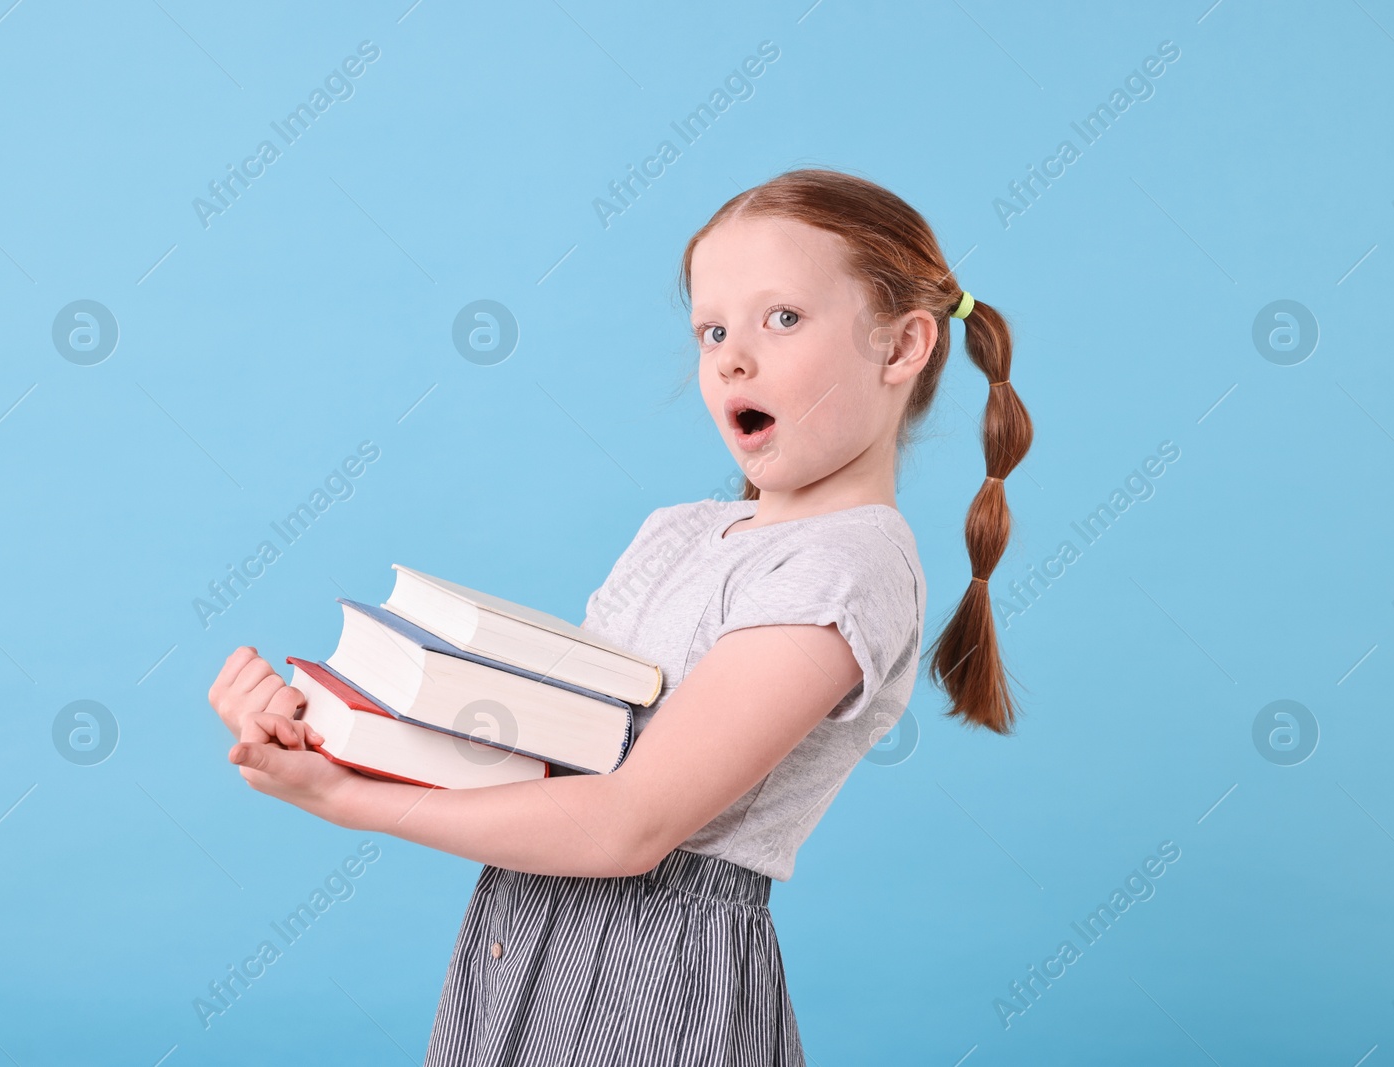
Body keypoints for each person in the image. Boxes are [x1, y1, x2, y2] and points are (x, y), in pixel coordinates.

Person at [207, 167, 1034, 1065]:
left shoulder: (850, 564)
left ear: (903, 346)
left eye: (782, 318)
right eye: (712, 328)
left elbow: (627, 824)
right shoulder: (677, 532)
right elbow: (547, 765)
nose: (730, 357)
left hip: (657, 981)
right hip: (522, 934)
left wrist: (349, 802)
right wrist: (333, 736)